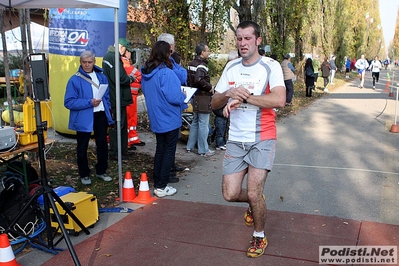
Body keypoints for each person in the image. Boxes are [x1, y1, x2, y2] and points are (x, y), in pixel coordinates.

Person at [211, 21, 286, 258]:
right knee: (230, 194)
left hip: (262, 138)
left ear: (258, 40)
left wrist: (246, 97)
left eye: (247, 39)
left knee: (253, 192)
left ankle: (259, 236)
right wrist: (227, 94)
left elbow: (279, 100)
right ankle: (256, 203)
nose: (243, 43)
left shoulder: (270, 66)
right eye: (239, 39)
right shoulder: (231, 67)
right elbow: (214, 103)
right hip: (235, 140)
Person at [141, 41, 188, 198]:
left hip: (156, 116)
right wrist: (183, 97)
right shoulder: (166, 73)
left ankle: (158, 181)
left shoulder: (147, 73)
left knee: (160, 149)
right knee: (168, 151)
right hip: (169, 116)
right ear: (167, 54)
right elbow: (174, 96)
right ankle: (161, 185)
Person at [64, 50, 114, 185]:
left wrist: (107, 110)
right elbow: (68, 102)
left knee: (102, 144)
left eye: (89, 62)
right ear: (80, 62)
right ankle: (84, 174)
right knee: (82, 146)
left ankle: (101, 171)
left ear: (94, 62)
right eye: (84, 62)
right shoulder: (74, 79)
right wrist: (89, 102)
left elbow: (107, 96)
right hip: (84, 116)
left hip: (100, 114)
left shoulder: (101, 76)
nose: (87, 65)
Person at [158, 33, 187, 174]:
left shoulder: (153, 67)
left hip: (160, 112)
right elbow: (181, 75)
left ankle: (164, 173)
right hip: (169, 112)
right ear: (170, 47)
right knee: (167, 147)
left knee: (163, 147)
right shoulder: (166, 68)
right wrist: (183, 97)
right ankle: (164, 178)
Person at [102, 38, 134, 160]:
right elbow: (120, 78)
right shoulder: (114, 57)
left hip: (114, 96)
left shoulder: (108, 56)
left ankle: (122, 150)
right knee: (118, 126)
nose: (126, 53)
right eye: (126, 49)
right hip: (117, 97)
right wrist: (130, 79)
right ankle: (116, 152)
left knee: (120, 125)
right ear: (121, 47)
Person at [186, 43, 215, 157]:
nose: (209, 53)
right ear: (202, 52)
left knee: (196, 122)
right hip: (203, 96)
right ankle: (203, 150)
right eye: (207, 51)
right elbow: (199, 80)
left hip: (194, 95)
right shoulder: (202, 65)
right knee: (203, 123)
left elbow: (190, 80)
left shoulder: (191, 64)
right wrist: (209, 87)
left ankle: (190, 146)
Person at [212, 50, 239, 150]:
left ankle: (219, 140)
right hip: (223, 102)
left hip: (227, 102)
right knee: (221, 122)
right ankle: (219, 142)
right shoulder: (230, 68)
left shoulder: (233, 67)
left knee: (222, 123)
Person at [121, 46, 145, 149]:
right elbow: (138, 75)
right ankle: (127, 141)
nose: (131, 54)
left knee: (132, 117)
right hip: (128, 95)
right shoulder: (124, 64)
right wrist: (136, 78)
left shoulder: (125, 63)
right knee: (129, 117)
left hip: (132, 95)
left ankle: (132, 138)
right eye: (129, 51)